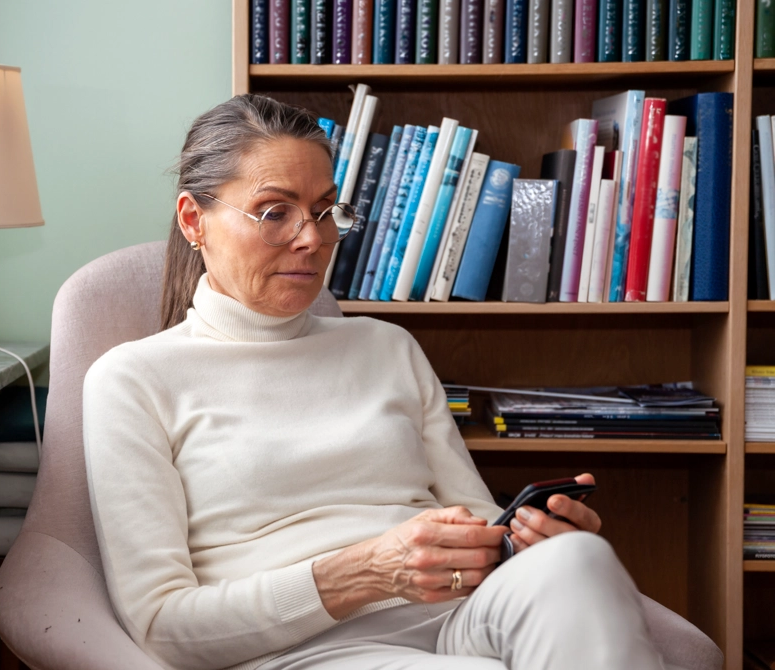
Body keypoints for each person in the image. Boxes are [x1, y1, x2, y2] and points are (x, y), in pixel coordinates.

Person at [82, 94, 700, 670]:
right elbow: (161, 624)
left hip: (460, 613)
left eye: (326, 211)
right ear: (195, 220)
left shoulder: (386, 345)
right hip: (307, 649)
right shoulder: (133, 379)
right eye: (276, 212)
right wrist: (365, 573)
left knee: (578, 558)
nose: (313, 239)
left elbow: (481, 521)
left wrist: (531, 539)